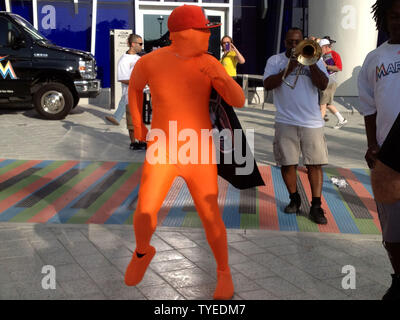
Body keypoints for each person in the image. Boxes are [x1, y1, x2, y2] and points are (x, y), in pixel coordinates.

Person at [124, 5, 245, 300]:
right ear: (184, 33)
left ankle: (223, 272)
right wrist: (139, 125)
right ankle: (143, 251)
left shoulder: (210, 62)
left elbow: (238, 100)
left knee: (210, 214)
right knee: (144, 211)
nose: (208, 36)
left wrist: (220, 76)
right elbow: (135, 89)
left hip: (198, 149)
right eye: (204, 31)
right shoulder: (150, 61)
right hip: (162, 148)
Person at [263, 28, 330, 225]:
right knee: (287, 163)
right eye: (290, 42)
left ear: (303, 42)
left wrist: (311, 64)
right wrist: (289, 67)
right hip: (285, 120)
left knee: (314, 164)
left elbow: (323, 84)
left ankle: (316, 206)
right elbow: (268, 84)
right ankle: (295, 199)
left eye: (297, 42)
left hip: (312, 122)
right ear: (285, 42)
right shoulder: (275, 61)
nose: (294, 46)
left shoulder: (315, 59)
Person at [357, 0, 400, 300]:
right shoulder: (375, 58)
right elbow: (369, 108)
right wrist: (372, 145)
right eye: (394, 15)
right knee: (393, 232)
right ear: (384, 18)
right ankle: (399, 278)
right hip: (389, 161)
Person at [105, 34, 146, 150]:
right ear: (133, 44)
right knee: (131, 121)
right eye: (140, 44)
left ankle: (141, 140)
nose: (141, 46)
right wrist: (137, 82)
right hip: (129, 95)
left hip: (140, 94)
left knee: (139, 120)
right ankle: (134, 143)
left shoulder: (139, 58)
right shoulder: (124, 60)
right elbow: (122, 78)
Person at [319, 38, 348, 129]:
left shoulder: (335, 54)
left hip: (330, 82)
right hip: (325, 82)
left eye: (321, 47)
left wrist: (326, 66)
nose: (320, 49)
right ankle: (342, 119)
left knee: (322, 104)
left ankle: (318, 126)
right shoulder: (321, 55)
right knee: (327, 104)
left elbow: (339, 68)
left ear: (326, 47)